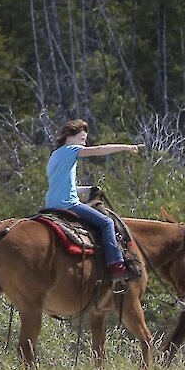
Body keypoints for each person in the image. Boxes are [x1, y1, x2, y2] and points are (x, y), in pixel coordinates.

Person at [44, 119, 140, 280]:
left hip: (50, 204)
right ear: (70, 136)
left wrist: (88, 189)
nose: (84, 143)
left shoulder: (55, 155)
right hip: (68, 204)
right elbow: (100, 149)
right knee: (107, 223)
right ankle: (116, 265)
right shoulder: (71, 150)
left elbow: (65, 186)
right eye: (82, 139)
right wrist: (126, 147)